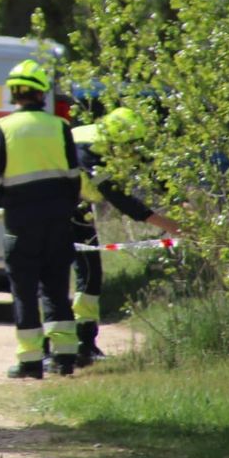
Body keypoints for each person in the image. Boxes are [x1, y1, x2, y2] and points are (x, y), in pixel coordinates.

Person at [0, 59, 82, 379]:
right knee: (56, 288)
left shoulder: (1, 129)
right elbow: (74, 179)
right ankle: (64, 358)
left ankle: (30, 361)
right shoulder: (60, 127)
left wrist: (11, 203)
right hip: (58, 221)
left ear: (13, 93)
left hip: (20, 223)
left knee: (24, 291)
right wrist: (62, 207)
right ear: (42, 94)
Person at [64, 105, 180, 366]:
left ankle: (84, 343)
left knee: (90, 274)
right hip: (57, 207)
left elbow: (151, 171)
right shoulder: (88, 150)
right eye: (130, 147)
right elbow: (117, 196)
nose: (133, 152)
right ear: (118, 141)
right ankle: (65, 345)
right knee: (65, 275)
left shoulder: (113, 141)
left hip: (78, 205)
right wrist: (166, 223)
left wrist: (179, 199)